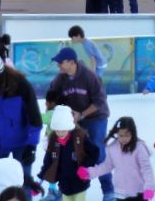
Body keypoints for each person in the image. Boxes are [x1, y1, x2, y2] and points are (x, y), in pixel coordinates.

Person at [46, 47, 113, 198]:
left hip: (96, 118)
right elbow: (53, 98)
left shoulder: (89, 76)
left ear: (72, 62)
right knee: (65, 153)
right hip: (73, 118)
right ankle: (61, 191)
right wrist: (58, 114)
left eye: (61, 62)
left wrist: (81, 114)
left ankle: (108, 190)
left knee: (98, 151)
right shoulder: (59, 79)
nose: (58, 66)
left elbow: (99, 102)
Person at [0, 54, 42, 185]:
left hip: (21, 145)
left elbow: (34, 119)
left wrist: (32, 145)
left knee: (23, 184)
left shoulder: (22, 86)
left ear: (1, 73)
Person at [82, 117, 155, 201]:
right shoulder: (113, 148)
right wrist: (89, 172)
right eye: (121, 135)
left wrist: (149, 188)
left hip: (138, 192)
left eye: (127, 135)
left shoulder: (139, 148)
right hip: (120, 193)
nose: (124, 138)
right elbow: (106, 166)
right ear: (117, 133)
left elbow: (146, 169)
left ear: (133, 133)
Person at [39, 105, 98, 200]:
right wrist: (39, 180)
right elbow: (48, 161)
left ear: (69, 127)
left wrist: (85, 166)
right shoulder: (54, 140)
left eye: (63, 130)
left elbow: (95, 152)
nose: (60, 133)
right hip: (64, 185)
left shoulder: (80, 137)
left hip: (80, 183)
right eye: (57, 131)